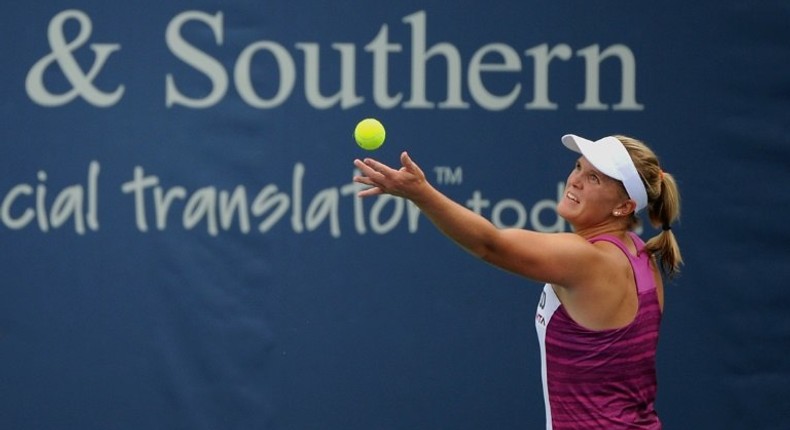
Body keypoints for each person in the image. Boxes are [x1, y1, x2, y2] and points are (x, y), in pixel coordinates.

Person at [352, 134, 682, 430]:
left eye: (593, 178)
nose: (575, 180)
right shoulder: (642, 255)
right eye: (578, 167)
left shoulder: (588, 260)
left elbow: (490, 244)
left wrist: (421, 193)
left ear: (624, 206)